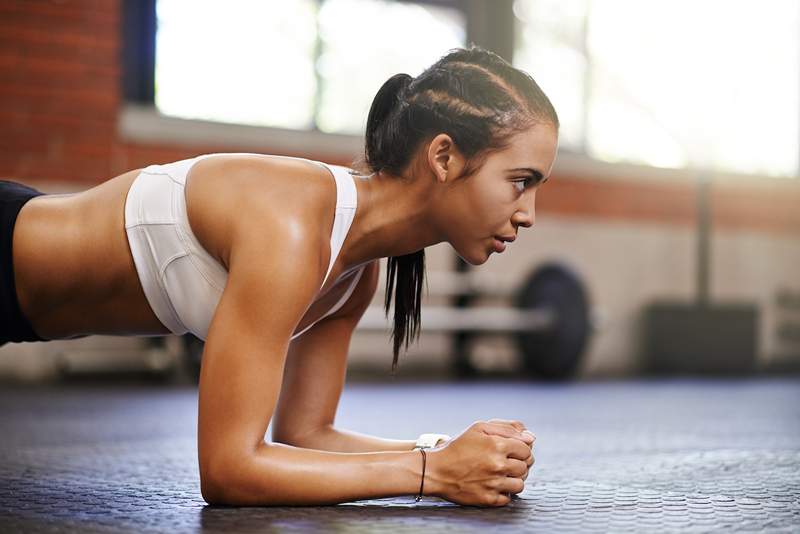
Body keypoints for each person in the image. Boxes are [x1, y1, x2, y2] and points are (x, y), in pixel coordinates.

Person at [0, 45, 558, 507]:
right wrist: (433, 473)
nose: (529, 213)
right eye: (520, 181)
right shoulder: (293, 229)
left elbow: (307, 436)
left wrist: (445, 451)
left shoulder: (355, 273)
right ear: (443, 158)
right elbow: (228, 471)